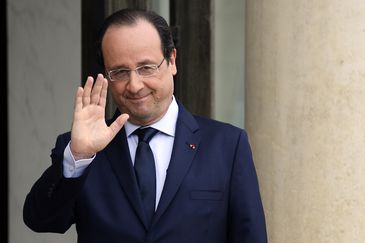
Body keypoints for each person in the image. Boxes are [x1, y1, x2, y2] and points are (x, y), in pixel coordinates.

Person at [23, 8, 267, 243]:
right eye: (119, 72)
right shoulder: (81, 149)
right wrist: (78, 157)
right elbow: (40, 220)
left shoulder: (227, 146)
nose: (135, 85)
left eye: (146, 68)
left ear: (171, 60)